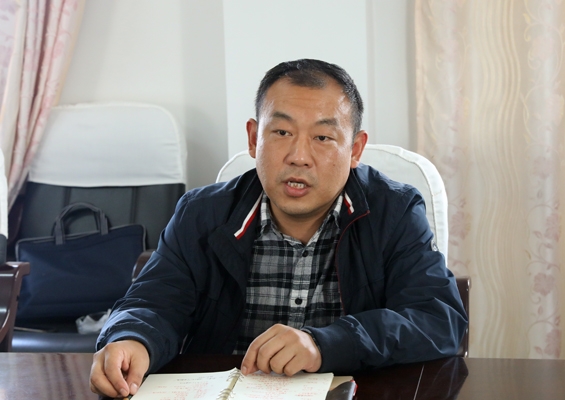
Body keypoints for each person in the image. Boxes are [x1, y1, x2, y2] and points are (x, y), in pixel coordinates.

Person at [89, 59, 467, 398]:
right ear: (254, 138)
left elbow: (438, 319)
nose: (299, 157)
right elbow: (152, 302)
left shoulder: (394, 211)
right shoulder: (202, 213)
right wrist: (132, 339)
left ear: (355, 150)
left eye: (322, 137)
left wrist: (324, 345)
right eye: (282, 132)